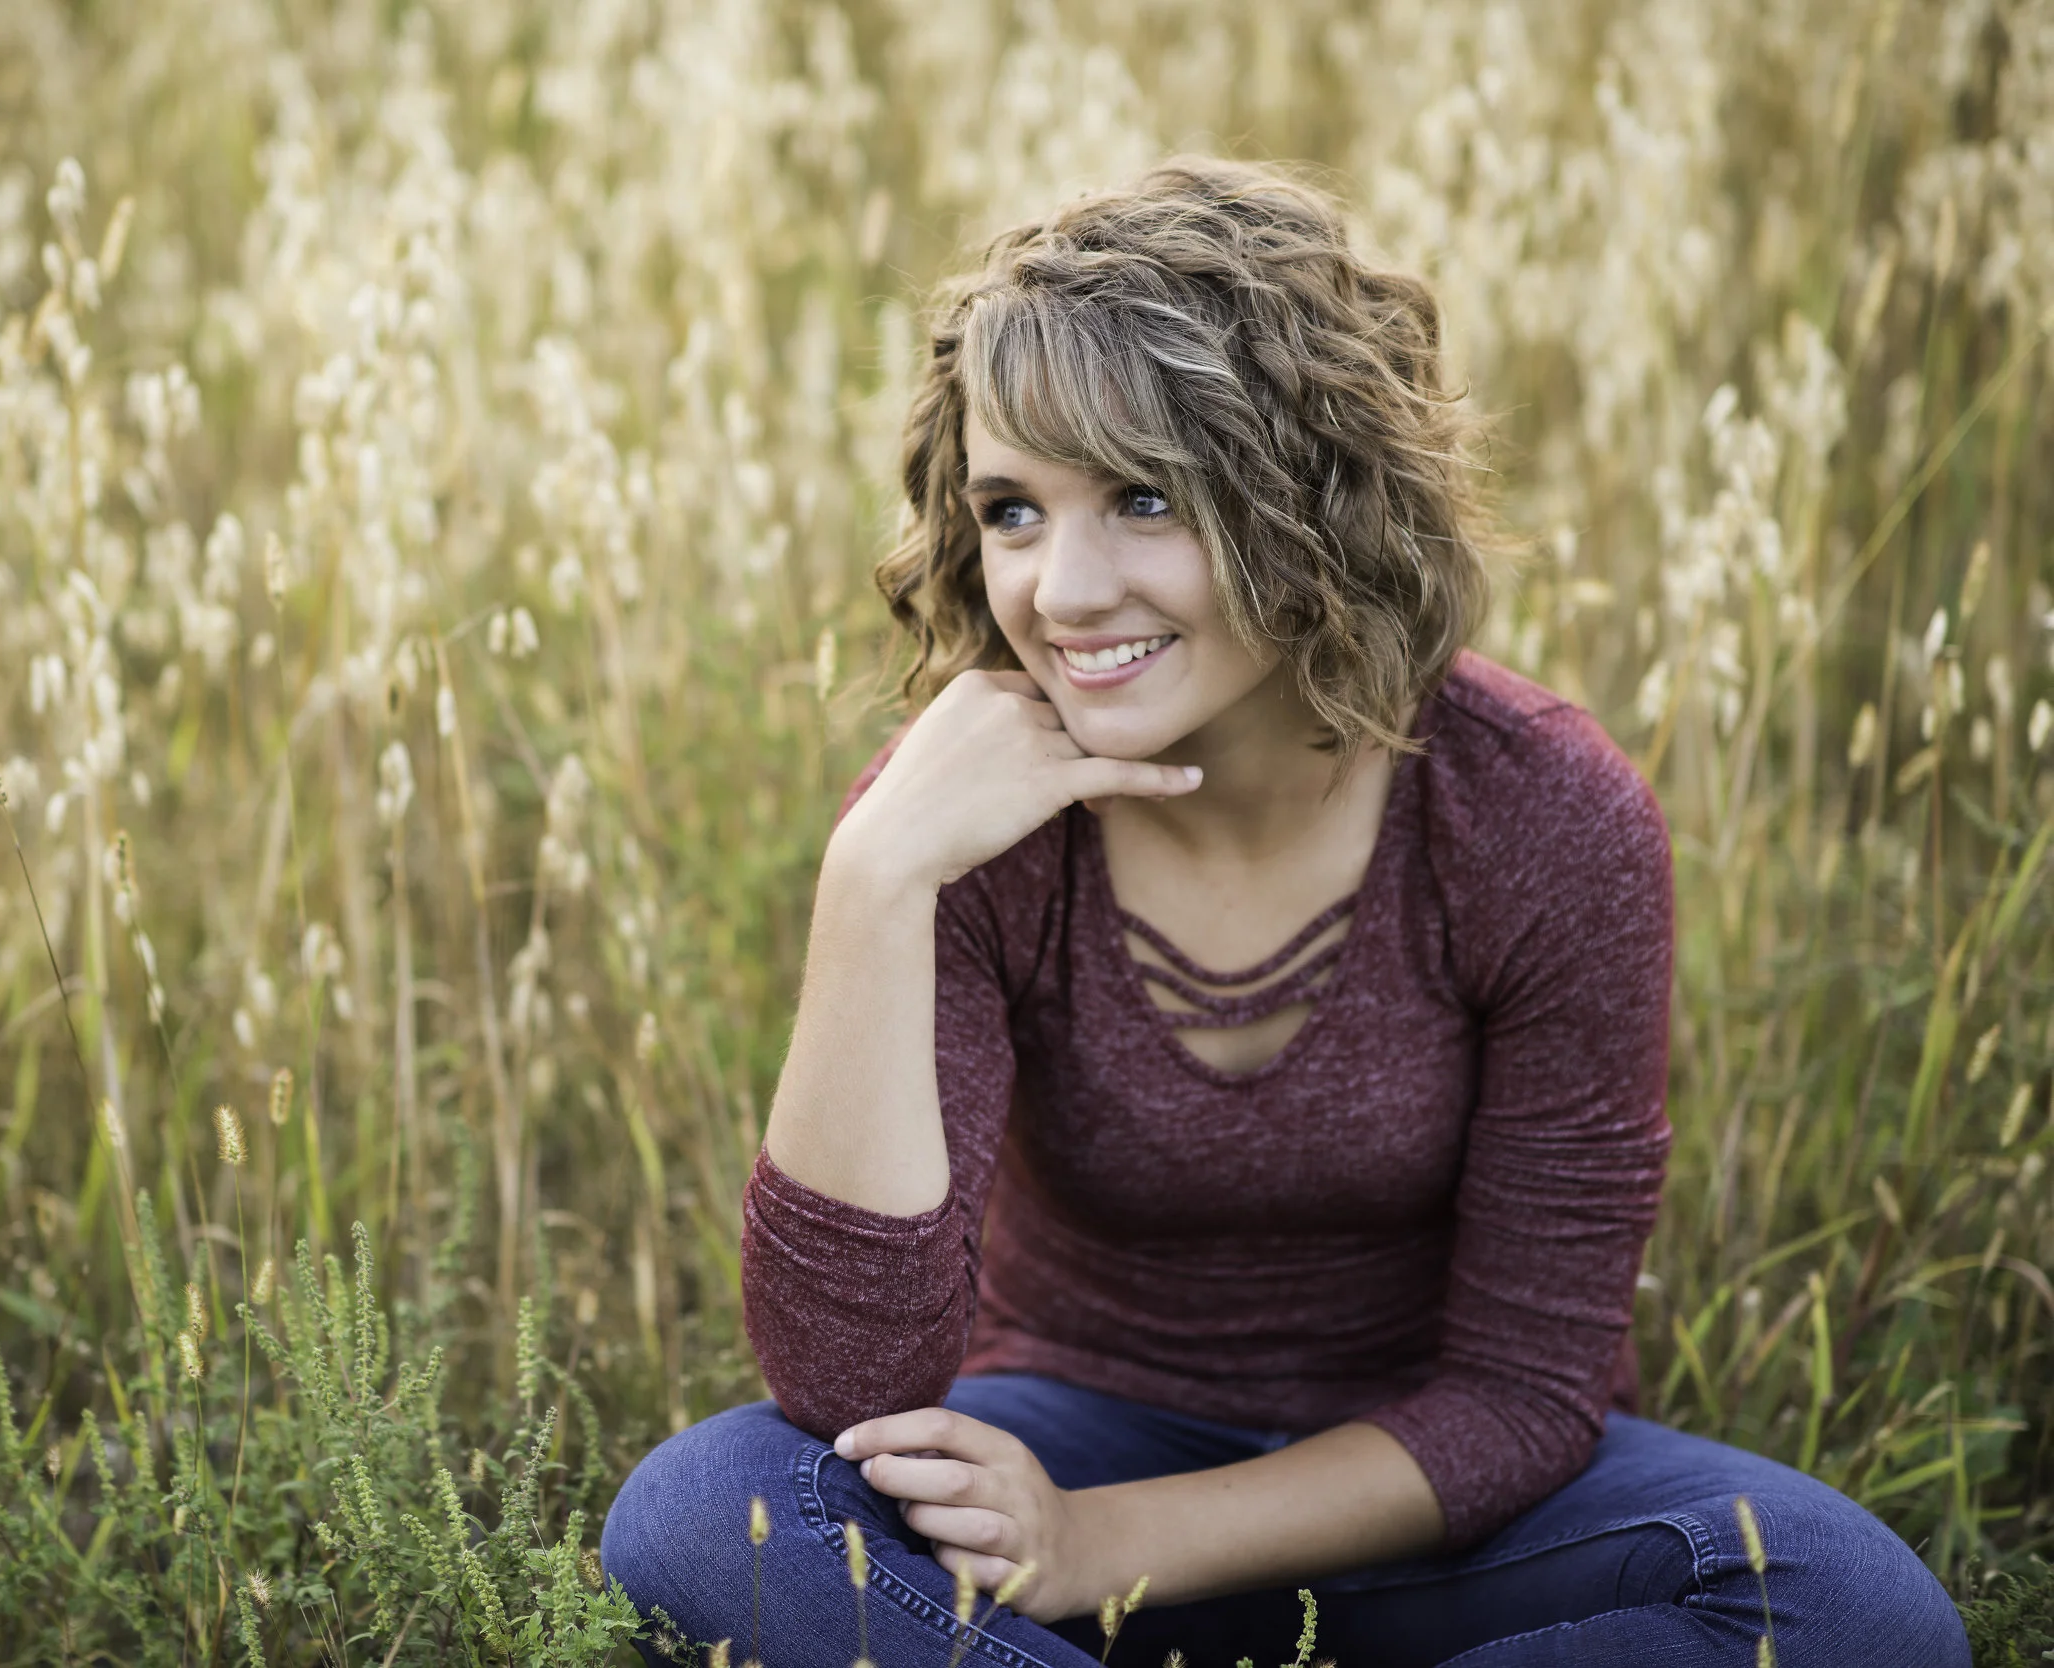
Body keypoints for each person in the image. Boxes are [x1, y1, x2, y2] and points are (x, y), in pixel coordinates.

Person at [600, 158, 1968, 1667]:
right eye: (1014, 510)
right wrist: (872, 882)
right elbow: (849, 1389)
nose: (1063, 591)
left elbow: (1524, 1399)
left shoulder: (1538, 816)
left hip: (1433, 1515)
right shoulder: (967, 820)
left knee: (1848, 1605)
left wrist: (1103, 1547)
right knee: (702, 1515)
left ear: (1313, 500)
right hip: (1058, 1448)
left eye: (1143, 498)